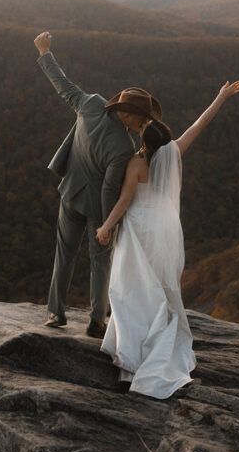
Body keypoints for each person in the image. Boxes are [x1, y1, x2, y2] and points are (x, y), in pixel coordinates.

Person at [96, 80, 239, 398]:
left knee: (129, 289)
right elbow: (198, 125)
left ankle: (131, 356)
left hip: (137, 230)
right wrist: (219, 97)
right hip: (163, 230)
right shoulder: (174, 153)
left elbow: (123, 203)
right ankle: (154, 347)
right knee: (158, 289)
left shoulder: (136, 164)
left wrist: (106, 227)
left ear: (143, 140)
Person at [34, 31, 162, 338]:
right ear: (127, 115)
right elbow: (108, 188)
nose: (142, 125)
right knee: (100, 262)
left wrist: (44, 52)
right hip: (96, 207)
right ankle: (96, 321)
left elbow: (62, 86)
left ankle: (55, 313)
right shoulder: (123, 146)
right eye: (140, 120)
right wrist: (107, 224)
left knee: (64, 254)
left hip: (70, 193)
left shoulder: (90, 105)